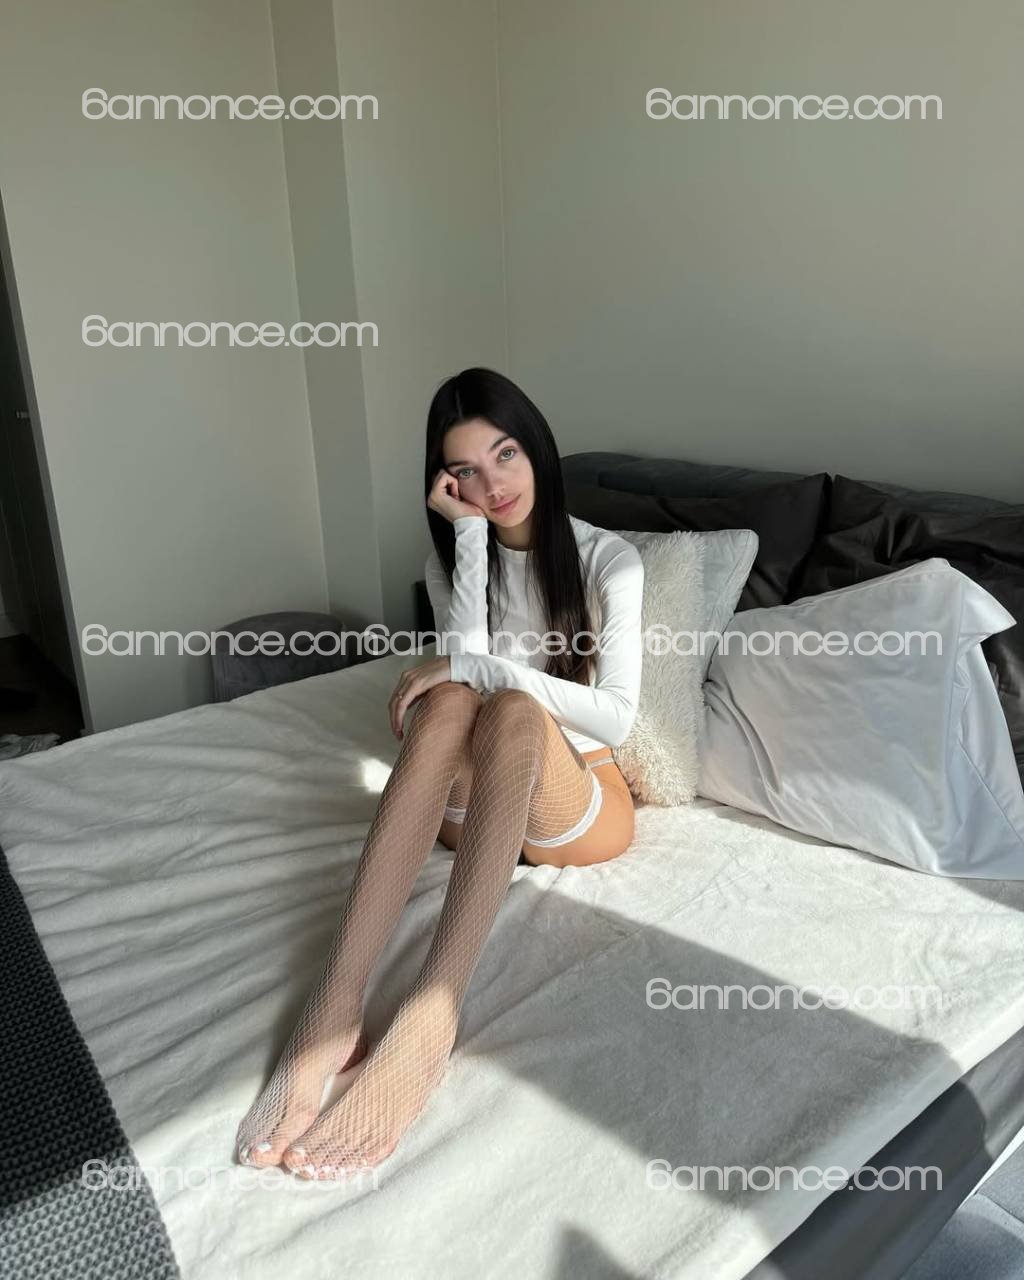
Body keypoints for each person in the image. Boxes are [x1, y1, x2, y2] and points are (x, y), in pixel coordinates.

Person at [235, 367, 644, 1180]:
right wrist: (468, 544)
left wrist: (483, 671)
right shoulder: (454, 557)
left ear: (537, 448)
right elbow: (462, 672)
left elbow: (617, 716)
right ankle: (336, 1002)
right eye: (466, 471)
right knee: (448, 702)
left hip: (578, 805)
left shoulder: (611, 560)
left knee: (507, 704)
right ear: (446, 483)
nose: (493, 486)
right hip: (478, 810)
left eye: (506, 455)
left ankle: (430, 1015)